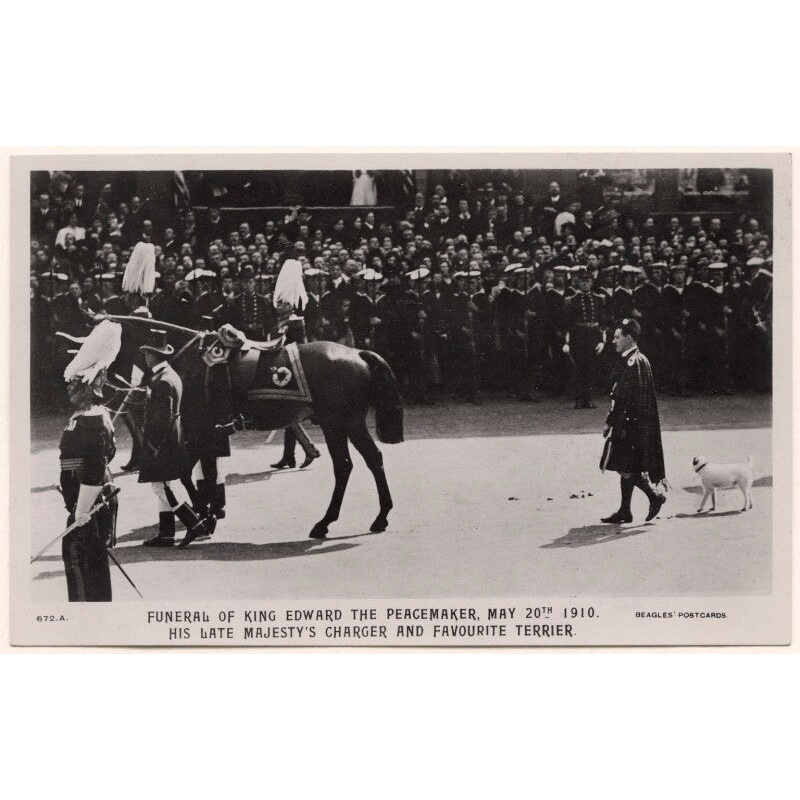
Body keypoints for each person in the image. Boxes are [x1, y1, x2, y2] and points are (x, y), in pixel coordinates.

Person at [59, 321, 122, 601]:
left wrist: (82, 510)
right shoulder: (85, 418)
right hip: (87, 502)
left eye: (75, 385)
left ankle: (90, 625)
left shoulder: (92, 421)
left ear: (88, 387)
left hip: (91, 505)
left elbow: (94, 470)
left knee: (84, 562)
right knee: (86, 562)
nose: (69, 390)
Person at [138, 329, 211, 548]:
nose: (145, 358)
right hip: (171, 442)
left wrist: (152, 445)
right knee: (164, 485)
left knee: (161, 488)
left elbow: (162, 419)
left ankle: (195, 525)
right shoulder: (168, 376)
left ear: (152, 355)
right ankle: (166, 533)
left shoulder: (162, 381)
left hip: (161, 444)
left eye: (146, 354)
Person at [600, 319, 667, 524]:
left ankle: (654, 497)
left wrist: (611, 422)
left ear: (628, 339)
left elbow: (625, 397)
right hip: (634, 423)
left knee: (625, 467)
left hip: (629, 425)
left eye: (617, 337)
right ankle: (625, 510)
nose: (614, 341)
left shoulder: (632, 361)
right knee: (627, 466)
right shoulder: (637, 359)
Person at [269, 258, 322, 470]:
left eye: (283, 303)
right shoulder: (283, 322)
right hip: (284, 369)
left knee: (287, 412)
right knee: (287, 412)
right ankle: (290, 455)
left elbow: (299, 346)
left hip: (292, 370)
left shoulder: (295, 322)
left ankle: (308, 449)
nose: (280, 306)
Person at [563, 268, 606, 409]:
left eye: (588, 281)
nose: (585, 284)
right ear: (578, 283)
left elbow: (602, 321)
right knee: (579, 368)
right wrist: (567, 341)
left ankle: (587, 398)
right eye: (583, 281)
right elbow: (568, 323)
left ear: (592, 282)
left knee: (590, 369)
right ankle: (579, 399)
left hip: (593, 336)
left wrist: (602, 340)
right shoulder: (572, 300)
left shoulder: (598, 299)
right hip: (578, 336)